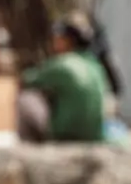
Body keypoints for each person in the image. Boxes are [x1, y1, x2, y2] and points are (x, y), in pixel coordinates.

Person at [16, 12, 111, 143]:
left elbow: (27, 79)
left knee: (26, 98)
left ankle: (28, 144)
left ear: (68, 40)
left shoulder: (63, 64)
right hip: (94, 136)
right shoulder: (95, 66)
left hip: (65, 135)